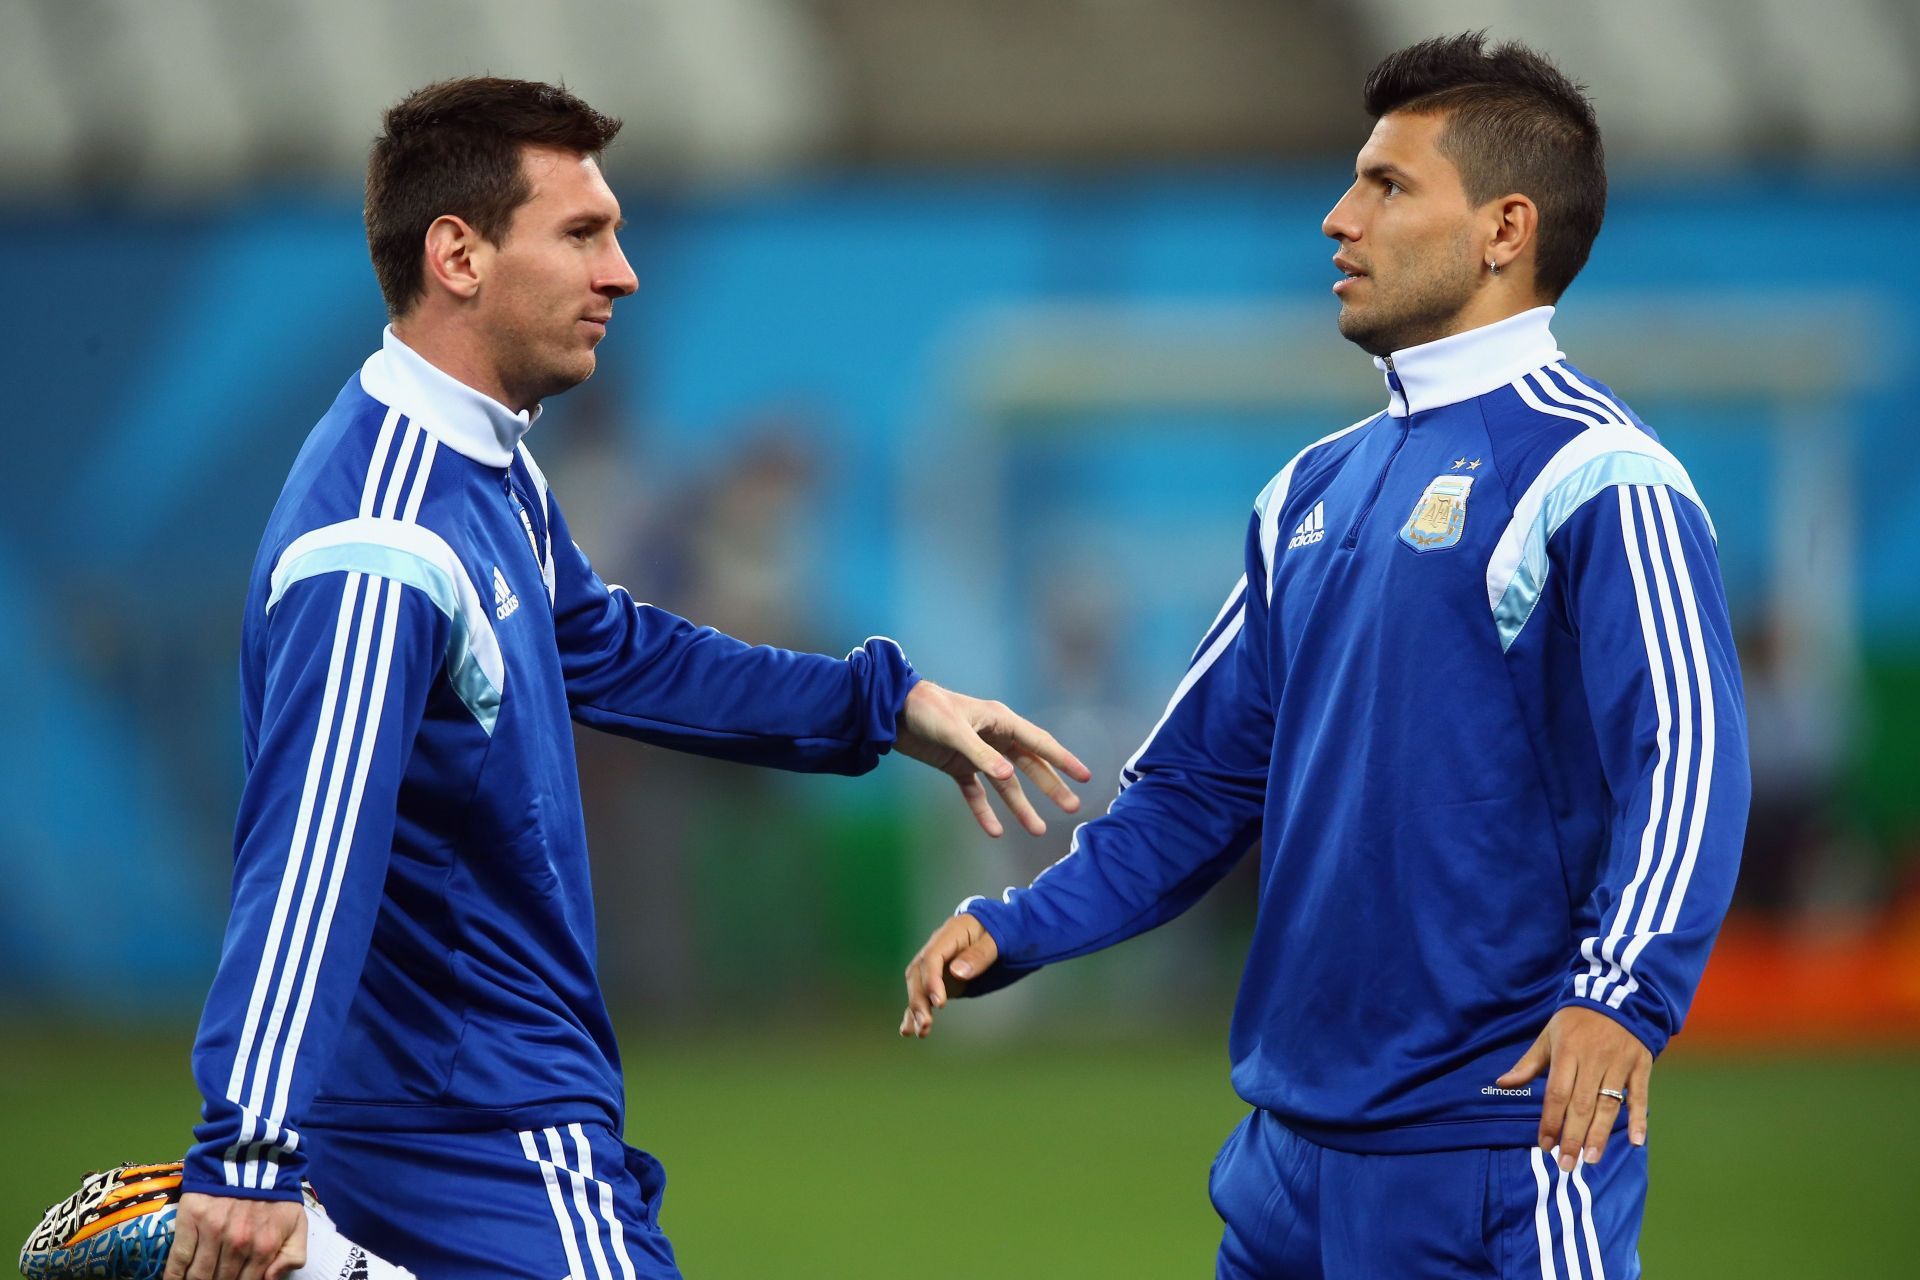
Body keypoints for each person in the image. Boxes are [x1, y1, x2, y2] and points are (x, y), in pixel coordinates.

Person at [166, 76, 1090, 1280]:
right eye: (583, 233)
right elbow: (310, 855)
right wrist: (244, 1153)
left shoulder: (483, 468)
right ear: (457, 254)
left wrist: (885, 704)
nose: (623, 273)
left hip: (452, 1118)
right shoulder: (387, 541)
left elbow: (615, 651)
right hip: (475, 1136)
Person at [902, 33, 1750, 1278]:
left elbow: (1688, 752)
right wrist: (1023, 924)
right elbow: (1195, 783)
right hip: (1286, 1161)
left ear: (1506, 228)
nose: (1338, 218)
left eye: (1388, 187)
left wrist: (1625, 997)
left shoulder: (1599, 477)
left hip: (1498, 1148)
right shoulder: (1309, 488)